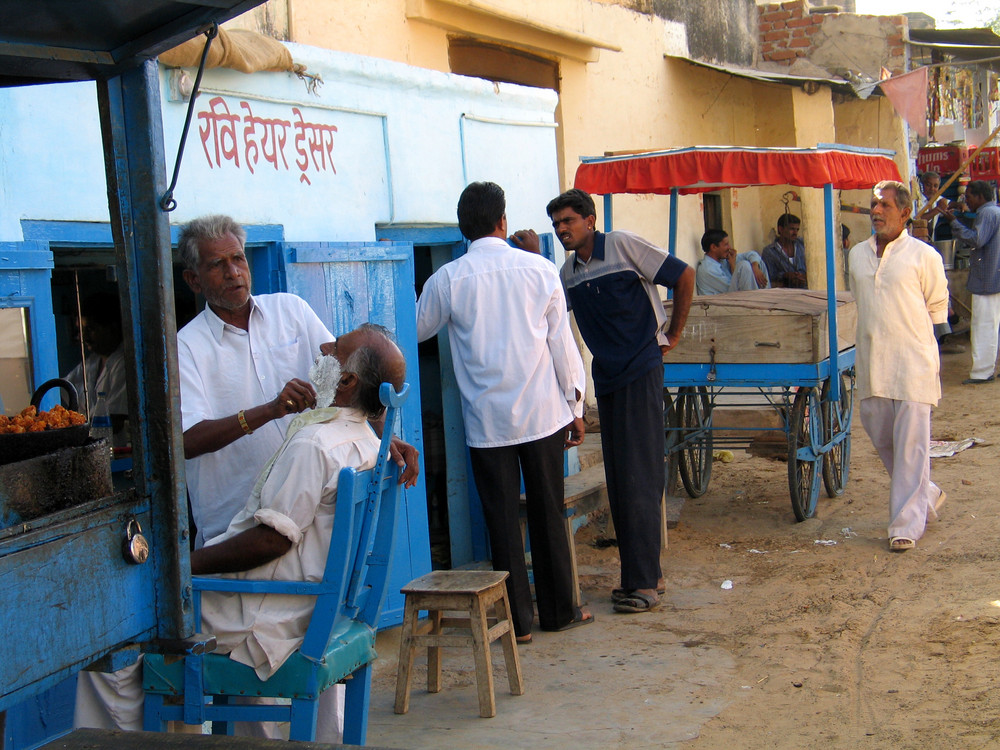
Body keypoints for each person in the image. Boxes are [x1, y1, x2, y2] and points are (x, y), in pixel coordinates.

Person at [74, 324, 405, 740]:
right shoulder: (366, 441)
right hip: (322, 611)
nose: (323, 348)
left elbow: (272, 541)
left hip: (270, 618)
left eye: (335, 349)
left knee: (112, 639)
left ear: (346, 380)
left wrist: (182, 565)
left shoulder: (316, 444)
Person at [175, 215, 418, 546]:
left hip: (308, 514)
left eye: (238, 259)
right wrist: (269, 410)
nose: (233, 273)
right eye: (217, 265)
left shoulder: (290, 311)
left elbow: (352, 375)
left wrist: (384, 435)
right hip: (234, 527)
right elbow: (187, 441)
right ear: (194, 280)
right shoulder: (185, 346)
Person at [417, 182, 590, 639]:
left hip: (488, 425)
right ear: (503, 222)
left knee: (502, 523)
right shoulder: (538, 270)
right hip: (543, 415)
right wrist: (576, 404)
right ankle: (559, 612)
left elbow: (414, 329)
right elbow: (562, 344)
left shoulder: (448, 279)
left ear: (463, 228)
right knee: (548, 512)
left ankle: (519, 623)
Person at [531, 188, 694, 614]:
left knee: (638, 475)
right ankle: (643, 575)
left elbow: (683, 275)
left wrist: (673, 334)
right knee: (621, 480)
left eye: (568, 221)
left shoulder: (622, 245)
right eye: (556, 225)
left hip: (641, 371)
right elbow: (547, 312)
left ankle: (643, 584)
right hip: (608, 379)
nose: (562, 229)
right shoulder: (567, 273)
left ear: (589, 219)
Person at [848, 180, 948, 552]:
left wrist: (932, 359)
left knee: (910, 447)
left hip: (913, 364)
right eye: (874, 205)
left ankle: (904, 526)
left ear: (905, 213)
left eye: (885, 206)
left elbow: (938, 310)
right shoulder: (857, 255)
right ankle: (929, 493)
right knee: (883, 437)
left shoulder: (925, 257)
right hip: (874, 363)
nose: (876, 212)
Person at [937, 180, 1000, 384]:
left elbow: (977, 239)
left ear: (980, 197)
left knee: (984, 326)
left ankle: (982, 372)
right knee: (992, 326)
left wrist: (954, 222)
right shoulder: (993, 212)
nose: (967, 201)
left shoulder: (987, 213)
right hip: (992, 278)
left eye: (969, 197)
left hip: (987, 280)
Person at [63, 291, 128, 436]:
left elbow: (116, 419)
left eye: (90, 329)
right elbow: (62, 391)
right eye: (80, 330)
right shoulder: (91, 363)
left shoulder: (124, 363)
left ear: (113, 328)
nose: (83, 337)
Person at [761, 213, 807, 288]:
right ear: (781, 229)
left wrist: (803, 276)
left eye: (797, 229)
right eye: (792, 229)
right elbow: (769, 278)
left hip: (808, 289)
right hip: (785, 293)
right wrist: (786, 276)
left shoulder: (803, 244)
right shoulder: (769, 252)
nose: (795, 233)